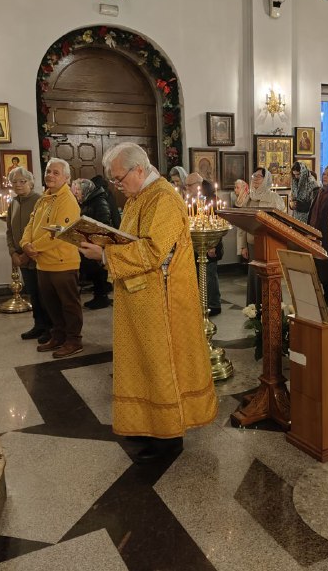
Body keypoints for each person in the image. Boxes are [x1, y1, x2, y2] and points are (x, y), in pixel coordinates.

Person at [78, 142, 218, 462]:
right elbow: (130, 239)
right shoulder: (139, 196)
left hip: (162, 300)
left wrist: (106, 255)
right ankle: (145, 425)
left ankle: (168, 438)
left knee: (159, 365)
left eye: (118, 178)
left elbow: (154, 251)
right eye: (113, 180)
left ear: (139, 170)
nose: (116, 185)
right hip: (139, 295)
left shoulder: (164, 198)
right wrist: (101, 239)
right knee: (140, 363)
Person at [21, 157, 83, 359]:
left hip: (63, 262)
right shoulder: (44, 198)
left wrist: (33, 247)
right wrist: (25, 243)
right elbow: (31, 224)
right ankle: (58, 335)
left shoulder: (67, 200)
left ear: (66, 177)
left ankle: (73, 340)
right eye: (48, 171)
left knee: (68, 304)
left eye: (56, 172)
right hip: (43, 262)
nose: (50, 175)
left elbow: (60, 232)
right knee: (51, 304)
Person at [6, 167, 52, 344]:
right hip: (21, 256)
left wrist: (25, 254)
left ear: (31, 183)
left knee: (43, 293)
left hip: (37, 256)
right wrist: (12, 252)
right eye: (14, 182)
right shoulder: (14, 203)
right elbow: (9, 231)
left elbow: (41, 231)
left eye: (22, 181)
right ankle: (38, 325)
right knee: (33, 292)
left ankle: (50, 328)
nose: (18, 185)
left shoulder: (39, 201)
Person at [238, 167, 285, 306]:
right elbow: (241, 224)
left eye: (259, 176)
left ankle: (272, 309)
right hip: (252, 244)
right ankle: (254, 311)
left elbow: (282, 222)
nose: (255, 179)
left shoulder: (274, 199)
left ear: (266, 179)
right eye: (254, 176)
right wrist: (242, 246)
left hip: (268, 244)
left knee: (269, 278)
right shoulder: (248, 198)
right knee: (254, 277)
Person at [72, 178, 113, 309]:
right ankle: (98, 296)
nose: (76, 192)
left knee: (98, 272)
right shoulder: (86, 201)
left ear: (86, 190)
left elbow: (104, 223)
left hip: (97, 243)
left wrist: (92, 233)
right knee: (94, 272)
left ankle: (102, 297)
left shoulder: (99, 201)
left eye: (78, 190)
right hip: (89, 241)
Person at [186, 171, 224, 316]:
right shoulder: (192, 199)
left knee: (209, 275)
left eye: (190, 185)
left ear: (198, 184)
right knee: (198, 274)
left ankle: (214, 304)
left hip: (211, 244)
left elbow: (218, 224)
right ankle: (201, 303)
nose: (187, 188)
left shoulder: (212, 199)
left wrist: (213, 245)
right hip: (196, 243)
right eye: (186, 185)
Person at [307, 164, 328, 303]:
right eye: (324, 174)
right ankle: (327, 293)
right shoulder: (320, 191)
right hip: (317, 234)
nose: (325, 177)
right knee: (319, 265)